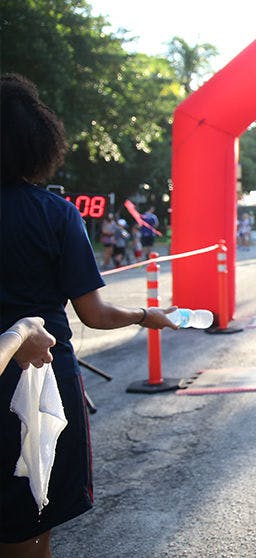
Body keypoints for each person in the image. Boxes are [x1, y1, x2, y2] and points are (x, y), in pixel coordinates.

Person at [1, 72, 178, 558]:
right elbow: (94, 313)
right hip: (39, 378)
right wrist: (146, 315)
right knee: (32, 513)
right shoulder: (55, 213)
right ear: (39, 142)